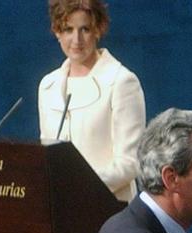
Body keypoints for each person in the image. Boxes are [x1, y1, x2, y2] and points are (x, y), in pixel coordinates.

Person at [38, 0, 145, 202]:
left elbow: (131, 162)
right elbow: (47, 156)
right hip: (61, 209)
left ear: (98, 30)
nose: (76, 39)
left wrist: (81, 186)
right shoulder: (47, 85)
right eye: (68, 29)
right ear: (57, 32)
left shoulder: (121, 81)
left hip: (109, 208)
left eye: (85, 29)